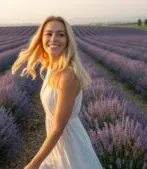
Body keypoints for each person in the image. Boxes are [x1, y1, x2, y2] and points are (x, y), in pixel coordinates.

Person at [11, 15, 103, 169]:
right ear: (41, 38)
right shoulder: (52, 69)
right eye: (49, 34)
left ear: (68, 41)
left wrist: (34, 163)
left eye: (61, 34)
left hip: (71, 147)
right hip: (58, 145)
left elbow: (59, 127)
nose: (54, 38)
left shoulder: (67, 75)